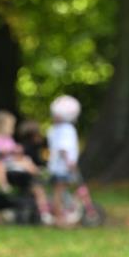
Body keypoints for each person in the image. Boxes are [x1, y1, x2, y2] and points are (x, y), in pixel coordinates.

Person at [0, 110, 53, 223]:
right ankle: (3, 185)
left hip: (14, 163)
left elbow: (16, 151)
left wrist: (17, 151)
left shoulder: (9, 140)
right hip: (4, 165)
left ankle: (38, 173)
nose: (12, 129)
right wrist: (8, 151)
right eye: (10, 126)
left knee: (26, 160)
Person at [47, 95, 82, 226]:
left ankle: (61, 214)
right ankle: (59, 218)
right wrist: (70, 163)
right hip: (63, 167)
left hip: (55, 166)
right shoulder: (68, 129)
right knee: (59, 192)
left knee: (59, 191)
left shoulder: (53, 129)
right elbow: (64, 148)